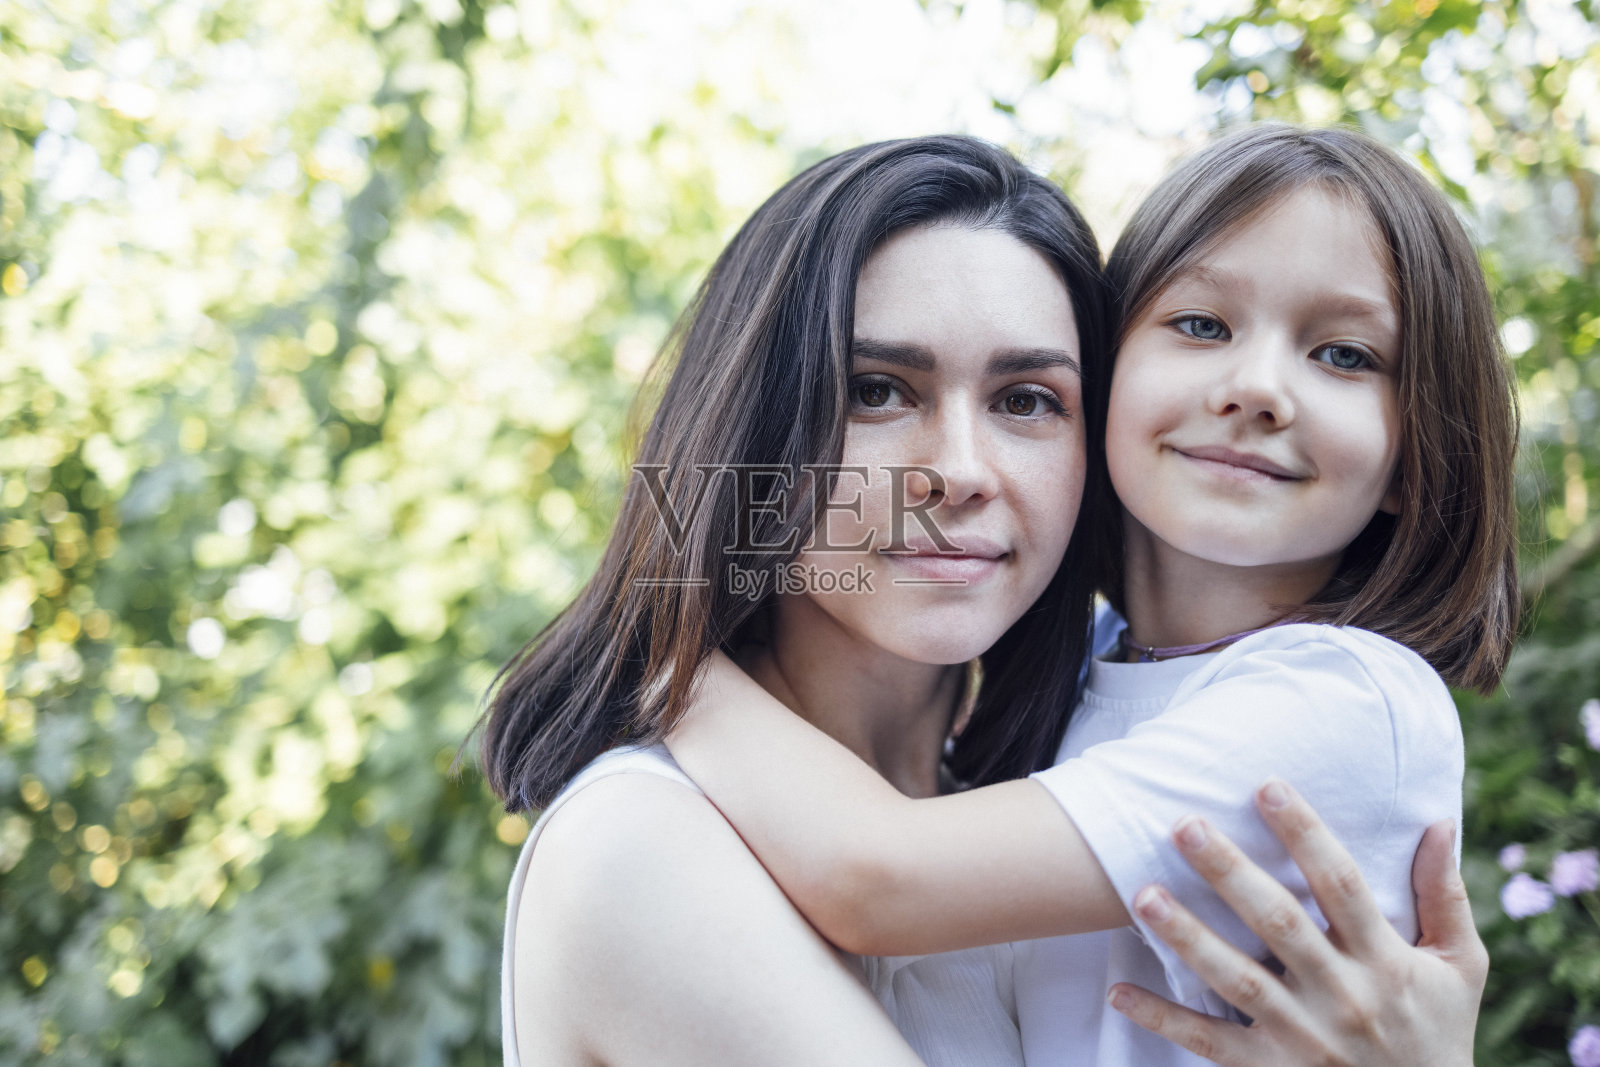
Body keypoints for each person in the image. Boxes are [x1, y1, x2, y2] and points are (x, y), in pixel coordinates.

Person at [483, 134, 1493, 1065]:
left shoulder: (1029, 795)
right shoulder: (643, 841)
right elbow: (877, 874)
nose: (959, 471)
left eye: (1025, 401)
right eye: (877, 388)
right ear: (754, 436)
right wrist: (660, 639)